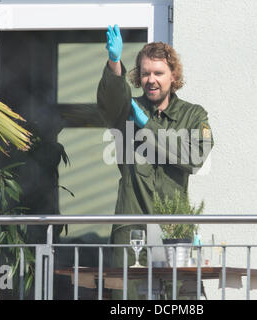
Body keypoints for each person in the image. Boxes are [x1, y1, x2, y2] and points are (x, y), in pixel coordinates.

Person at [96, 25, 214, 299]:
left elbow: (195, 156)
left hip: (175, 233)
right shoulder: (125, 111)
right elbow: (109, 100)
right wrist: (115, 64)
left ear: (173, 76)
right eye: (145, 73)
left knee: (182, 302)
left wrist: (146, 124)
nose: (151, 79)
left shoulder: (193, 115)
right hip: (132, 234)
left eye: (158, 73)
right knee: (129, 303)